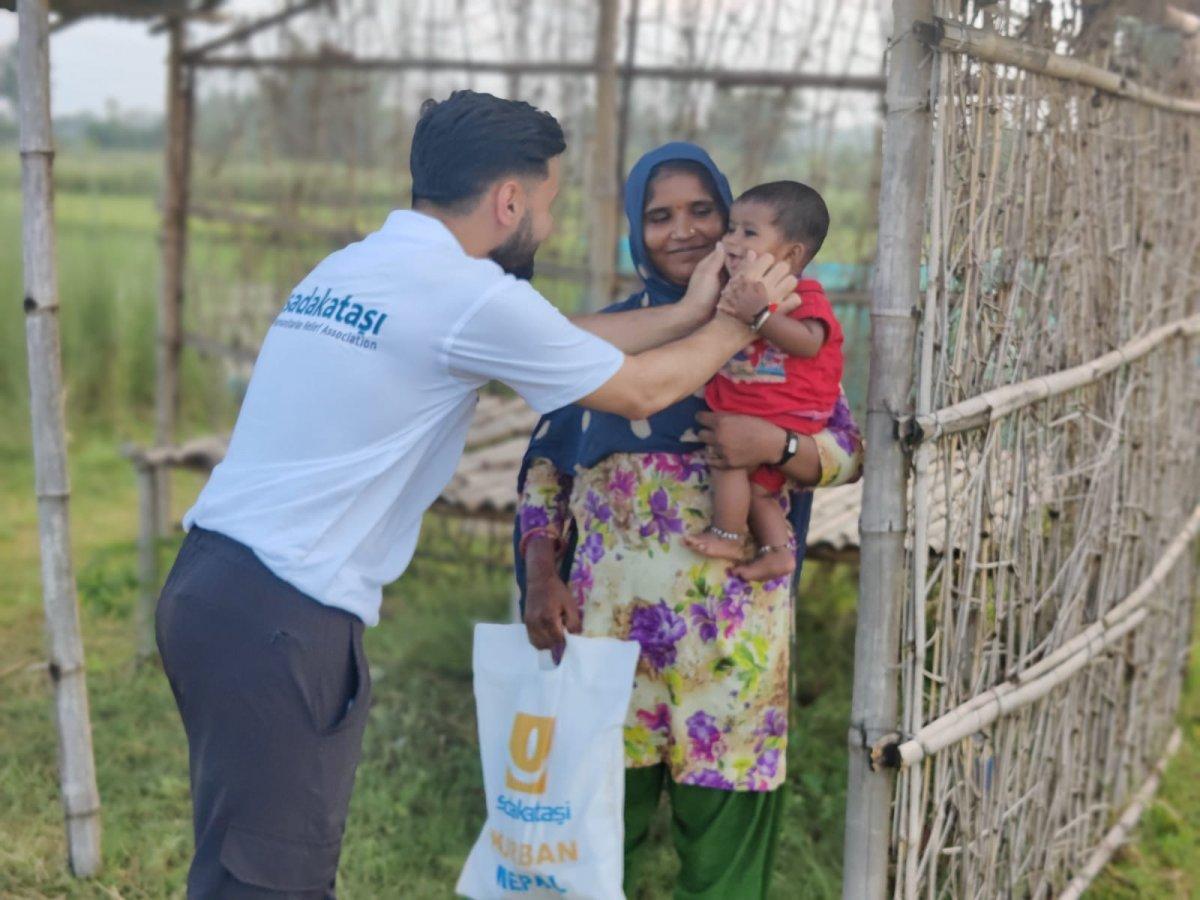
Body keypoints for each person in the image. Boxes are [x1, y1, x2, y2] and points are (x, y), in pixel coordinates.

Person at [153, 92, 799, 899]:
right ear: (509, 201)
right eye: (551, 205)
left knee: (238, 861)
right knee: (270, 881)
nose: (551, 227)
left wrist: (694, 309)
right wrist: (740, 323)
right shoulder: (467, 296)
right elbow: (638, 392)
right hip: (284, 616)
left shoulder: (363, 263)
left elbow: (562, 337)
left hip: (210, 589)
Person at [516, 143, 864, 899]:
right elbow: (547, 469)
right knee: (593, 834)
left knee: (725, 855)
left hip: (734, 642)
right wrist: (542, 575)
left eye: (704, 211)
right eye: (660, 215)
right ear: (635, 230)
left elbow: (846, 449)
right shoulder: (601, 339)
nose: (685, 230)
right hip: (608, 632)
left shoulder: (782, 335)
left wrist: (775, 443)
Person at [685, 181, 848, 582]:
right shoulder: (728, 293)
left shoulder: (802, 293)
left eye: (749, 232)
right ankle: (777, 551)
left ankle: (728, 533)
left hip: (785, 414)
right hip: (764, 412)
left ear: (792, 254)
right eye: (731, 229)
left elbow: (810, 343)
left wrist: (760, 317)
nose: (733, 241)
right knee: (758, 491)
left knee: (728, 460)